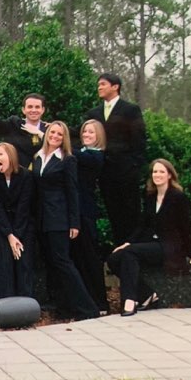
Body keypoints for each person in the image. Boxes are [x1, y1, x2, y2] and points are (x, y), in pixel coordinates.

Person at [108, 159, 191, 317]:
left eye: (161, 172)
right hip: (152, 243)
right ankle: (146, 295)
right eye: (154, 172)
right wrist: (127, 242)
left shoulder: (177, 197)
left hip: (170, 247)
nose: (157, 175)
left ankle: (130, 300)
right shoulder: (150, 196)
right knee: (114, 258)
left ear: (170, 175)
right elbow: (142, 225)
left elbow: (186, 227)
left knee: (130, 253)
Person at [32, 120, 99, 320]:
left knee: (63, 263)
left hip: (59, 218)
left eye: (59, 134)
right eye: (52, 132)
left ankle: (88, 308)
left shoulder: (67, 159)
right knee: (52, 264)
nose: (54, 136)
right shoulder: (38, 157)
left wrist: (74, 222)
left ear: (64, 138)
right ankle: (63, 308)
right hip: (41, 218)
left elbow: (72, 191)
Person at [86, 73, 147, 248]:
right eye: (98, 84)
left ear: (115, 87)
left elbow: (139, 139)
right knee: (114, 215)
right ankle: (119, 255)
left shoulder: (130, 110)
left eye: (103, 84)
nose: (99, 87)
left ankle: (133, 253)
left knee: (131, 215)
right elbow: (82, 134)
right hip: (105, 174)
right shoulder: (94, 113)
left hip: (126, 172)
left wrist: (134, 166)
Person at [0, 142, 35, 299]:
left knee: (23, 259)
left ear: (10, 156)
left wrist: (17, 235)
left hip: (21, 223)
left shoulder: (25, 176)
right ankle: (6, 305)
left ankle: (26, 305)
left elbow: (24, 207)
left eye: (0, 154)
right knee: (4, 260)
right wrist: (10, 235)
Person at [72, 119, 110, 314]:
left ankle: (101, 302)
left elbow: (74, 155)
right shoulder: (83, 152)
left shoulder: (96, 157)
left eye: (91, 133)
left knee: (91, 257)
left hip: (85, 212)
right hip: (75, 211)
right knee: (79, 257)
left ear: (99, 136)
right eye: (85, 131)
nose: (86, 135)